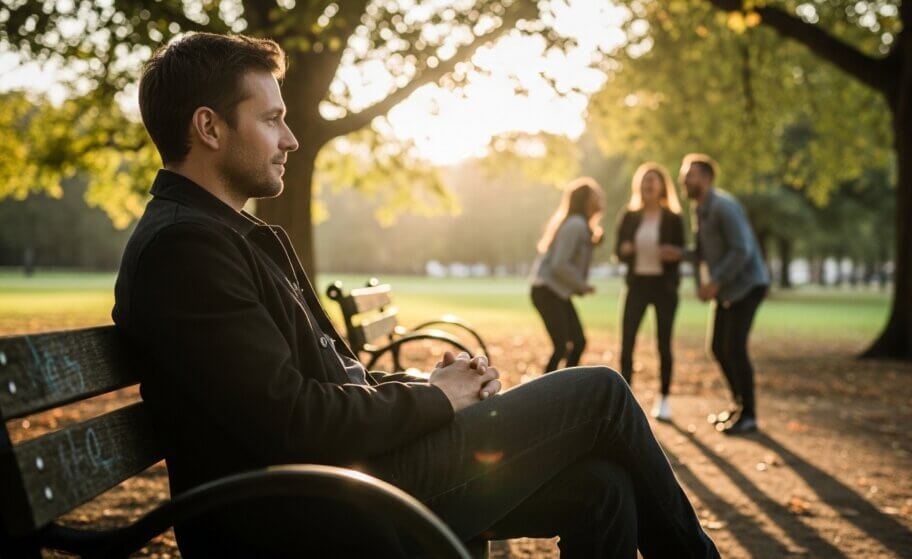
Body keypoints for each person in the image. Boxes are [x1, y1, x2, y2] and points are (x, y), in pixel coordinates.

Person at [112, 33, 719, 558]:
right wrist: (434, 401)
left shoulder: (220, 235)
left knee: (603, 485)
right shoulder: (184, 250)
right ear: (209, 127)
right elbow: (292, 420)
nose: (291, 138)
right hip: (304, 511)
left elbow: (320, 385)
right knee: (602, 394)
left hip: (341, 480)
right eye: (270, 119)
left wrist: (434, 391)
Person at [680, 153, 769, 435]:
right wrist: (679, 255)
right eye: (684, 174)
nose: (684, 179)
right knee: (718, 346)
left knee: (735, 347)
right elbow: (703, 253)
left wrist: (716, 282)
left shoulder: (723, 207)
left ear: (706, 179)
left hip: (748, 285)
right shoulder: (700, 209)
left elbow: (741, 249)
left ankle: (750, 415)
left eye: (690, 174)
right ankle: (739, 406)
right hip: (727, 288)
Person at [614, 162, 685, 420]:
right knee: (627, 341)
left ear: (662, 187)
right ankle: (625, 400)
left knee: (663, 344)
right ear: (639, 186)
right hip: (638, 284)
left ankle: (664, 399)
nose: (649, 185)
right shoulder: (630, 216)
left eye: (653, 181)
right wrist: (625, 251)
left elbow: (681, 251)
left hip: (664, 287)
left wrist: (672, 254)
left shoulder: (673, 218)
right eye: (645, 181)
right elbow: (618, 251)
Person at [529, 177, 604, 373]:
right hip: (547, 291)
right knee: (563, 346)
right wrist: (581, 285)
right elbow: (559, 264)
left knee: (577, 342)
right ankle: (546, 394)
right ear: (586, 200)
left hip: (554, 292)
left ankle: (565, 389)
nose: (601, 197)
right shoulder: (576, 225)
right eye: (596, 195)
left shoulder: (581, 226)